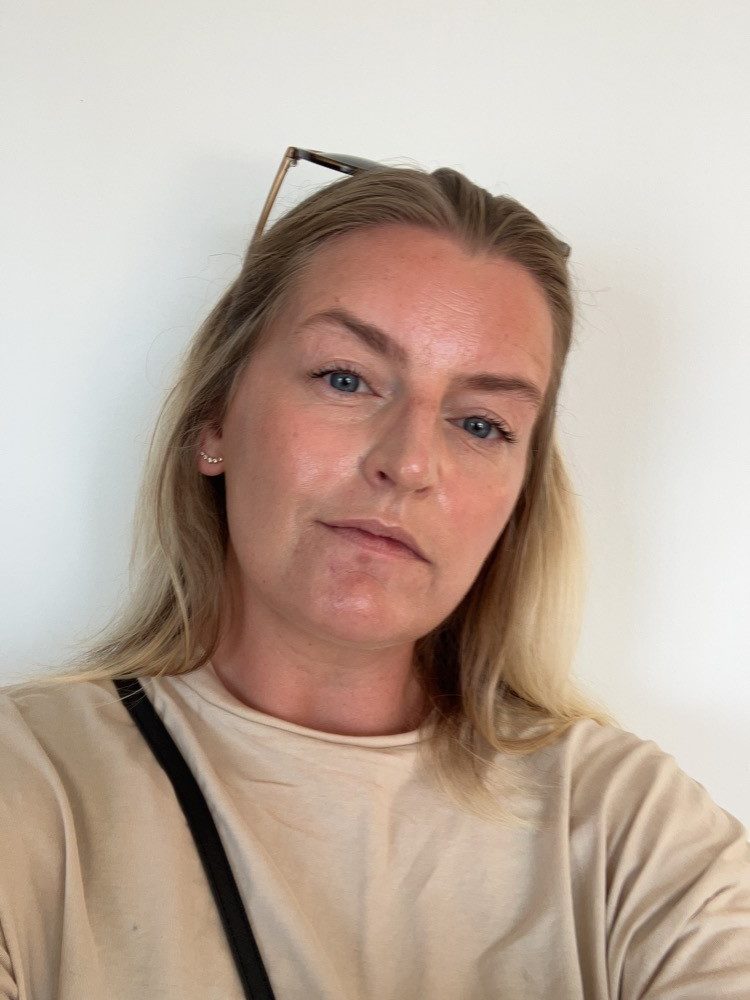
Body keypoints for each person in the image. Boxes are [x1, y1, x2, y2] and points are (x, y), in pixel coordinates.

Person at [1, 148, 748, 1000]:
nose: (409, 463)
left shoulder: (630, 832)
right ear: (215, 420)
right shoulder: (30, 786)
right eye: (346, 378)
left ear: (519, 497)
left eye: (480, 424)